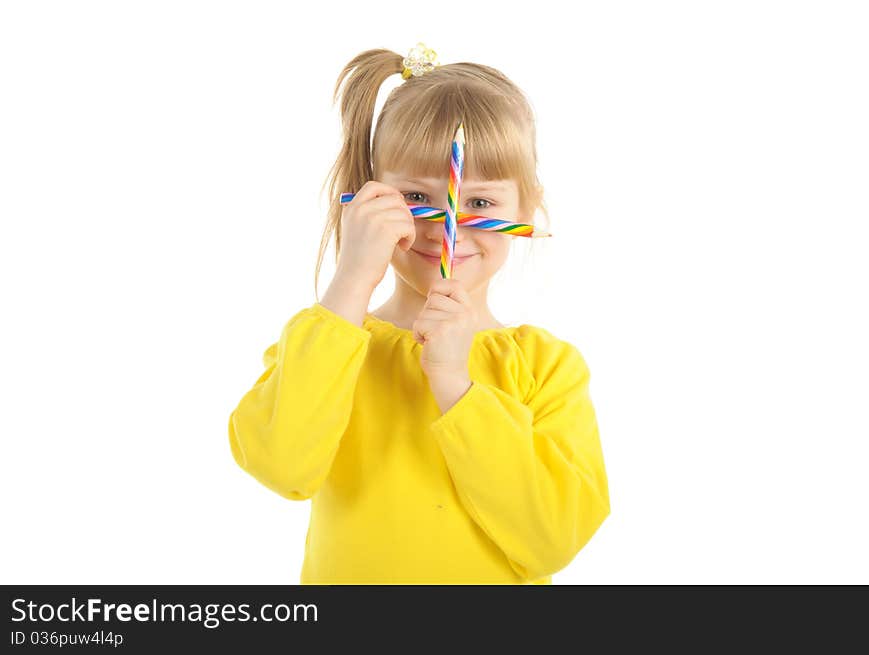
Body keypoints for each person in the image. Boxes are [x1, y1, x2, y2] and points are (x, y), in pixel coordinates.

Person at [228, 43, 610, 584]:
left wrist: (456, 384)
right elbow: (280, 466)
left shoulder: (548, 366)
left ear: (526, 211)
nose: (445, 226)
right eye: (414, 196)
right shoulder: (329, 342)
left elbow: (552, 539)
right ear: (367, 197)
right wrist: (353, 279)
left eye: (479, 203)